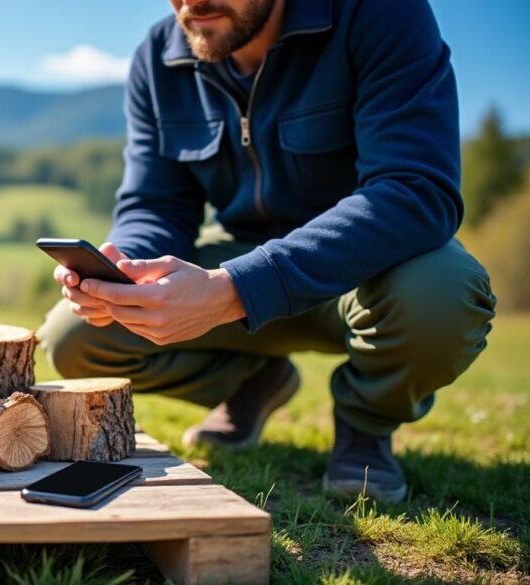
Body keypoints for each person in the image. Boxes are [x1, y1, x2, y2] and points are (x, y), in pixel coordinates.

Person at [37, 0, 496, 503]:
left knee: (441, 298)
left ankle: (367, 423)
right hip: (234, 266)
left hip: (365, 270)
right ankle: (255, 382)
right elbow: (156, 204)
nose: (191, 3)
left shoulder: (382, 14)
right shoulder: (160, 54)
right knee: (76, 336)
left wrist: (236, 289)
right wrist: (123, 271)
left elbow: (415, 190)